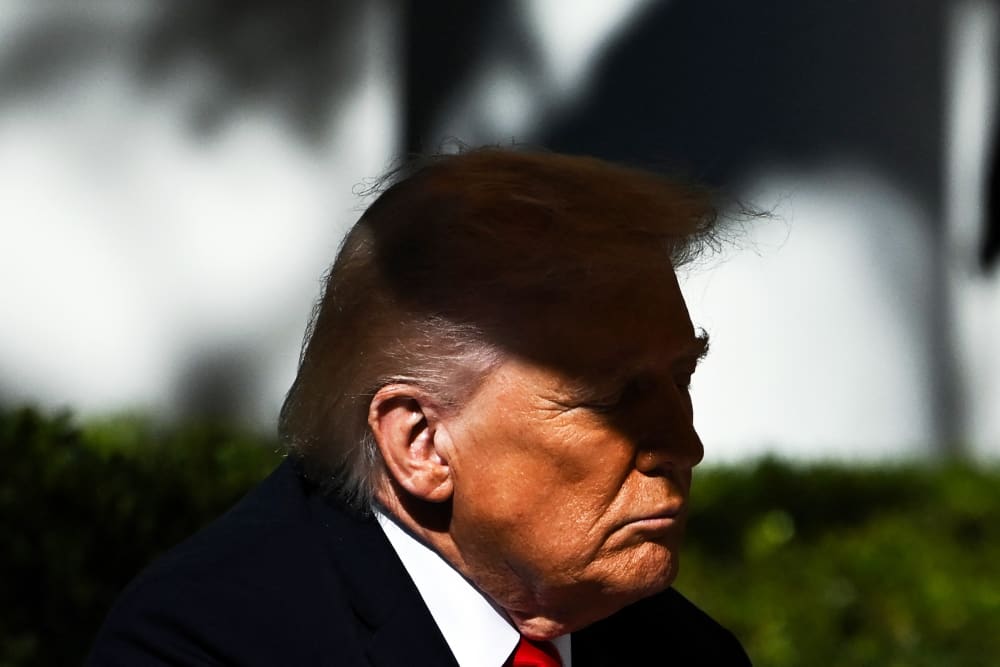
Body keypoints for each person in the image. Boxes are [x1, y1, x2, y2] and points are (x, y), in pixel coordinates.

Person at [87, 148, 752, 666]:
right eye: (616, 397)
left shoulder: (685, 651)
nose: (684, 444)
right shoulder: (207, 644)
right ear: (421, 441)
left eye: (679, 376)